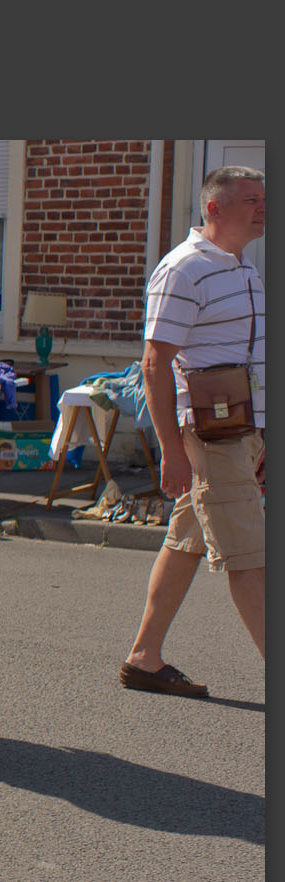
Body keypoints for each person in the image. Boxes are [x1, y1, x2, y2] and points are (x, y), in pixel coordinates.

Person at [119, 165, 266, 698]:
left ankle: (144, 658)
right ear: (215, 208)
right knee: (251, 556)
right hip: (210, 437)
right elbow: (155, 364)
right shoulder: (183, 269)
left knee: (186, 541)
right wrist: (170, 452)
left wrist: (263, 437)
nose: (262, 207)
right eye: (251, 199)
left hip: (239, 432)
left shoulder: (240, 267)